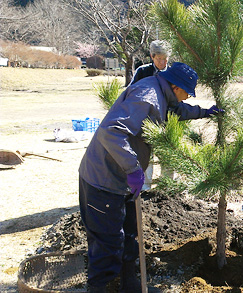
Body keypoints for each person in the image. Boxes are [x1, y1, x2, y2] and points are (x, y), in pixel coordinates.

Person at [78, 62, 223, 292]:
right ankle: (101, 288)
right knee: (107, 248)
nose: (187, 98)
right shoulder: (147, 95)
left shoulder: (163, 94)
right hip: (103, 180)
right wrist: (133, 169)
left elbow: (177, 111)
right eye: (187, 93)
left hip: (122, 181)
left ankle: (130, 287)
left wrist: (204, 112)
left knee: (128, 242)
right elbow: (111, 132)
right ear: (176, 87)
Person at [130, 40, 172, 190]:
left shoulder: (172, 73)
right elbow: (132, 92)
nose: (162, 62)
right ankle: (145, 188)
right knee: (146, 156)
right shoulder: (143, 72)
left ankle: (166, 188)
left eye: (165, 59)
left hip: (167, 122)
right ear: (152, 57)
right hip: (145, 122)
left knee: (168, 157)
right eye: (159, 59)